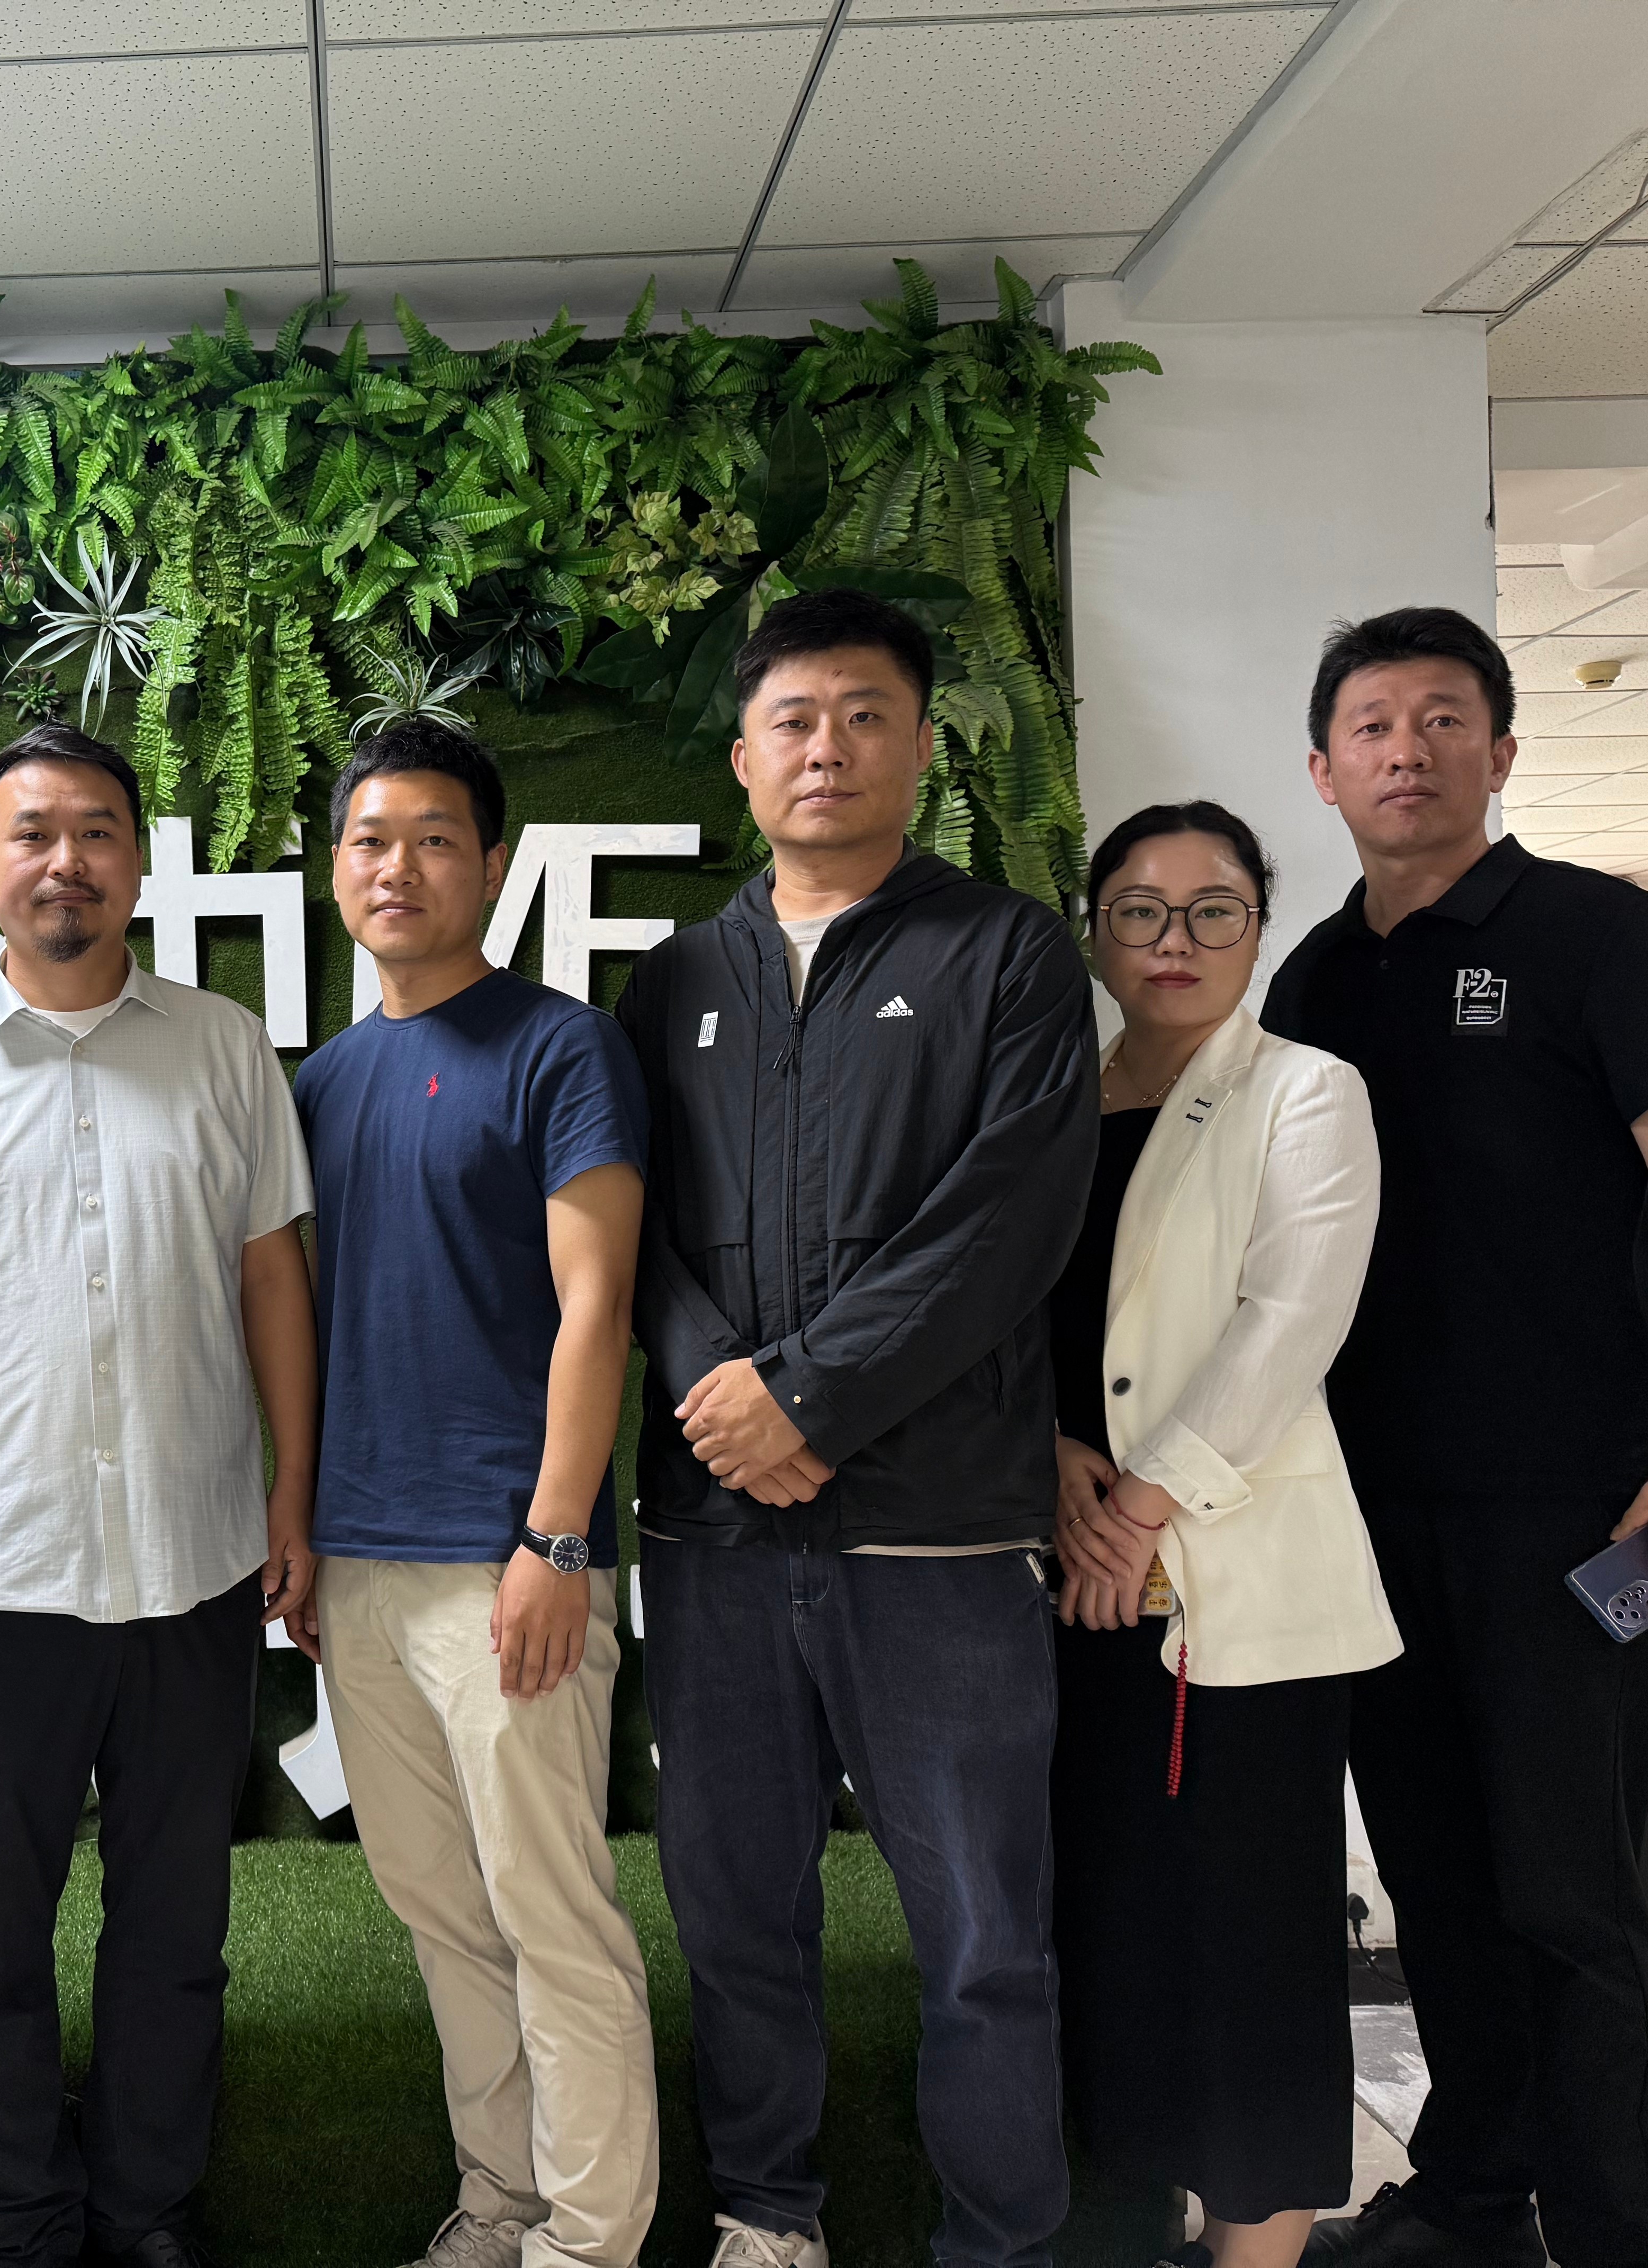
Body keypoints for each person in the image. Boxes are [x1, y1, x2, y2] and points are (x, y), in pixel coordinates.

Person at [1264, 608, 1648, 2268]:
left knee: (1570, 1892)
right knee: (1438, 1877)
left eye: (1442, 717)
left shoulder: (1596, 932)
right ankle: (1473, 2194)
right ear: (1322, 770)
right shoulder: (1316, 977)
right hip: (1368, 1512)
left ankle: (1612, 2233)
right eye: (1373, 726)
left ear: (1502, 750)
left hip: (1577, 1509)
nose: (1407, 750)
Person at [614, 587, 1097, 2268]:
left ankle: (1002, 2241)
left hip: (940, 1537)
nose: (829, 747)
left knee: (984, 1937)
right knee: (738, 1911)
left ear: (923, 745)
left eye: (866, 714)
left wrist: (808, 1398)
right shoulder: (675, 978)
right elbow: (631, 1231)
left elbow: (1008, 1218)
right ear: (744, 761)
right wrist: (729, 1403)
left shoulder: (1008, 953)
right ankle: (769, 2214)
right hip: (716, 1537)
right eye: (795, 720)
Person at [0, 722, 319, 2268]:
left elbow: (275, 1284)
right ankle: (25, 2224)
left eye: (97, 831)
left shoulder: (225, 1048)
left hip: (195, 1570)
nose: (66, 862)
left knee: (176, 1931)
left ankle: (148, 2206)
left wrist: (293, 1495)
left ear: (139, 866)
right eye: (33, 834)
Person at [294, 720, 659, 2268]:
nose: (401, 867)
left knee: (552, 1916)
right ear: (336, 869)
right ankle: (500, 2205)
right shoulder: (323, 1080)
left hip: (510, 1560)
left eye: (436, 838)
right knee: (443, 1912)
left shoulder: (561, 1047)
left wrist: (556, 1536)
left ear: (494, 865)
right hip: (360, 1567)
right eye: (372, 840)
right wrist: (306, 1537)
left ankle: (589, 2239)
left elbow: (599, 1304)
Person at [1043, 802, 1401, 2268]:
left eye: (1214, 910)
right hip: (1061, 1573)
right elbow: (998, 1318)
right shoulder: (1048, 1101)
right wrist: (1049, 1468)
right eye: (1140, 910)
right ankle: (1147, 2219)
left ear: (1260, 924)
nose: (1175, 941)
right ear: (1096, 933)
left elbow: (1290, 1321)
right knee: (1113, 1923)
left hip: (1226, 1587)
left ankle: (1259, 2250)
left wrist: (1139, 1506)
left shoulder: (1304, 1091)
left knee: (1253, 1938)